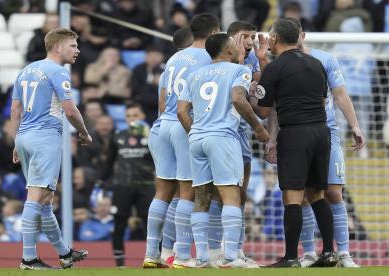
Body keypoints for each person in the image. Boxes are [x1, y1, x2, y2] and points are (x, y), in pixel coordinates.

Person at [267, 18, 365, 268]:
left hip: (323, 131)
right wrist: (273, 137)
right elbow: (279, 107)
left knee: (331, 193)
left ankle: (342, 253)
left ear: (303, 35)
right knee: (304, 196)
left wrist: (354, 125)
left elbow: (339, 94)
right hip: (311, 131)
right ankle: (310, 252)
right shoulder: (284, 64)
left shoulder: (324, 59)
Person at [248, 18, 336, 268]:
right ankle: (329, 253)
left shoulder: (276, 68)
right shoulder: (316, 63)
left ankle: (290, 258)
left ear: (274, 39)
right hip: (321, 132)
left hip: (295, 134)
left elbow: (264, 112)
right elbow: (321, 101)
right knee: (317, 194)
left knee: (292, 197)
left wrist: (251, 95)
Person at [177, 32, 269, 268]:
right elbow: (239, 99)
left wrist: (196, 131)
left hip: (197, 138)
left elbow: (181, 111)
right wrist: (259, 129)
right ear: (229, 50)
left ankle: (202, 258)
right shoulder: (240, 70)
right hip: (223, 137)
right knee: (231, 196)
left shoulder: (196, 74)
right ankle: (230, 257)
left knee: (202, 198)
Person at [142, 13, 220, 269]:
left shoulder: (175, 58)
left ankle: (151, 254)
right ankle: (183, 256)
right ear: (213, 33)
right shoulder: (209, 57)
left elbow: (163, 99)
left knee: (163, 192)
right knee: (188, 192)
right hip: (184, 125)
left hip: (163, 124)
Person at [10, 27, 92, 270]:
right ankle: (28, 258)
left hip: (25, 136)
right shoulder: (58, 71)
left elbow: (15, 110)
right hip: (45, 137)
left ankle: (65, 253)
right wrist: (85, 133)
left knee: (45, 199)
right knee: (36, 196)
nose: (77, 50)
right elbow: (69, 110)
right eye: (73, 46)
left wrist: (16, 141)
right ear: (57, 47)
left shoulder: (25, 71)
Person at [101, 103, 155, 267]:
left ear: (143, 117)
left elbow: (160, 160)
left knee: (151, 223)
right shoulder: (118, 136)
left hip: (146, 185)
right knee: (119, 223)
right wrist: (100, 183)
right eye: (129, 116)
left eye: (135, 115)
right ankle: (120, 264)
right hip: (122, 185)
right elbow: (109, 164)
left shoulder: (153, 136)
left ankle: (153, 258)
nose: (132, 119)